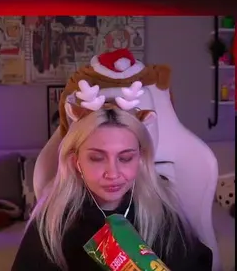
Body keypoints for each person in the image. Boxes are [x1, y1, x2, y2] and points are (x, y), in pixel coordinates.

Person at [11, 107, 213, 271]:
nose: (113, 173)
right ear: (76, 162)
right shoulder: (52, 222)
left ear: (140, 159)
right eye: (97, 158)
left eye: (125, 158)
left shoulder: (160, 210)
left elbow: (196, 262)